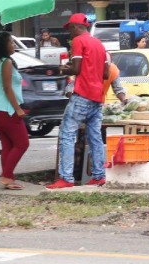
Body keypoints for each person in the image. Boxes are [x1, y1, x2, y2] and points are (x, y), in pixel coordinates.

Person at [46, 13, 108, 189]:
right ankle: (99, 175)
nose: (69, 33)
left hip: (83, 94)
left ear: (75, 27)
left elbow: (77, 68)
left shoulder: (79, 41)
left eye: (70, 29)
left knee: (67, 134)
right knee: (94, 137)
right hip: (97, 96)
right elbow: (105, 73)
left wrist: (63, 70)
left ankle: (66, 178)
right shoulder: (99, 44)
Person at [0, 31, 29, 190]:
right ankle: (6, 177)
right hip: (6, 110)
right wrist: (17, 108)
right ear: (3, 46)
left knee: (8, 145)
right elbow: (7, 88)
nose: (14, 45)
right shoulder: (6, 62)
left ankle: (7, 178)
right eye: (11, 42)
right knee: (22, 143)